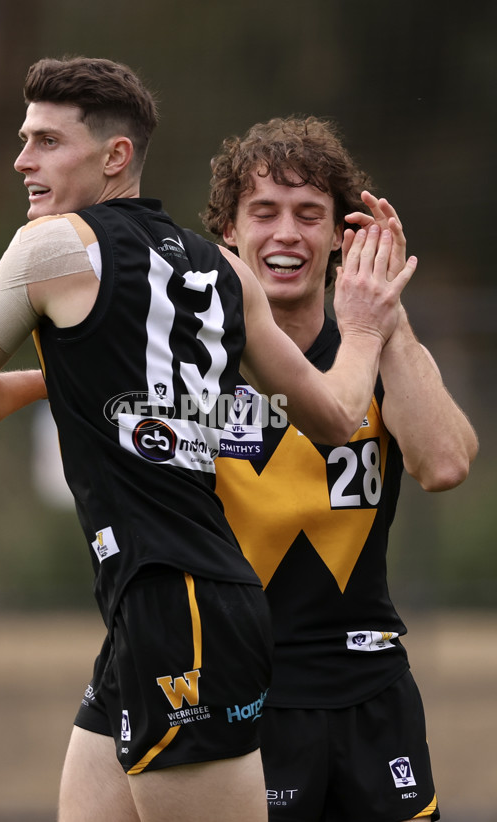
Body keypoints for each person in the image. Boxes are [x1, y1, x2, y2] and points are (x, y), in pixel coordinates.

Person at [0, 60, 416, 822]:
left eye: (47, 141)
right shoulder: (221, 270)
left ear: (115, 157)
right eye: (24, 140)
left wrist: (375, 322)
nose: (23, 160)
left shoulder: (48, 249)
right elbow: (338, 417)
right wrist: (366, 334)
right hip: (168, 603)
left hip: (178, 606)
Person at [201, 116, 479, 822]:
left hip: (371, 693)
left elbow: (445, 463)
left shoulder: (374, 346)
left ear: (340, 236)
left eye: (309, 215)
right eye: (263, 212)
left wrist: (383, 315)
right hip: (241, 697)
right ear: (229, 232)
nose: (286, 234)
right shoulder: (194, 358)